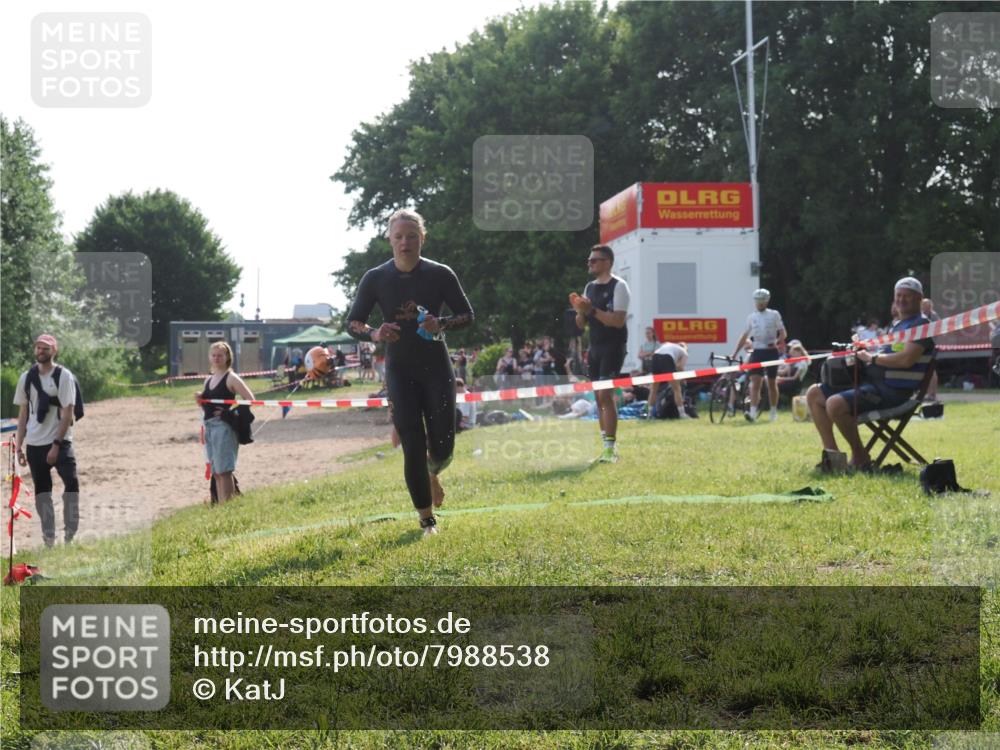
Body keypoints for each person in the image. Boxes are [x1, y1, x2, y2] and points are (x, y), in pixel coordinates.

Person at [346, 208, 473, 536]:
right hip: (400, 369)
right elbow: (353, 322)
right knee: (412, 442)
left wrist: (440, 323)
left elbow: (467, 315)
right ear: (389, 239)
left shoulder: (440, 274)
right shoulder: (375, 278)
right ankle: (426, 519)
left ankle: (434, 472)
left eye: (412, 236)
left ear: (422, 239)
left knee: (443, 444)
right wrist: (374, 333)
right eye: (399, 236)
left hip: (436, 367)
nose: (405, 243)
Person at [805, 277, 935, 471]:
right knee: (814, 394)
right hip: (873, 385)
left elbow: (905, 360)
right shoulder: (898, 325)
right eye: (898, 295)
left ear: (919, 299)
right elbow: (889, 354)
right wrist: (867, 351)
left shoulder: (921, 326)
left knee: (835, 404)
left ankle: (860, 456)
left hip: (894, 393)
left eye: (907, 296)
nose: (901, 300)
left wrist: (871, 358)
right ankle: (832, 458)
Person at [13, 334, 81, 548]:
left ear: (54, 351)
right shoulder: (26, 378)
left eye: (45, 348)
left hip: (61, 443)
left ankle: (70, 533)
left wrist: (56, 445)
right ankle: (49, 538)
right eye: (38, 348)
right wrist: (19, 446)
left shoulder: (64, 376)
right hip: (35, 443)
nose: (41, 351)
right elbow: (23, 414)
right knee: (42, 493)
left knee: (71, 483)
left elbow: (68, 412)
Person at [570, 243, 631, 463]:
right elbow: (581, 324)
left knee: (606, 395)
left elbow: (617, 321)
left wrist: (591, 310)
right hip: (594, 347)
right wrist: (580, 311)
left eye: (594, 260)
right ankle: (605, 444)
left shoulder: (619, 286)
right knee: (598, 398)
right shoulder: (589, 287)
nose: (590, 263)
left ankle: (610, 448)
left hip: (613, 346)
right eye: (589, 260)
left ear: (607, 262)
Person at [197, 341, 255, 503]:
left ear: (227, 357)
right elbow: (206, 406)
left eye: (220, 355)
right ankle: (222, 506)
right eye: (213, 355)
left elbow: (250, 399)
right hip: (209, 427)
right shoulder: (208, 380)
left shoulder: (231, 378)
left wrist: (229, 414)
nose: (216, 358)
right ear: (209, 357)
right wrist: (199, 399)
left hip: (224, 428)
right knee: (216, 471)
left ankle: (227, 506)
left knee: (224, 470)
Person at [732, 288, 786, 422]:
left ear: (767, 301)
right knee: (755, 383)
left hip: (771, 351)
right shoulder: (751, 317)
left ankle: (773, 412)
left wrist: (778, 341)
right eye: (758, 301)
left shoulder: (774, 314)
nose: (760, 304)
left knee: (772, 383)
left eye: (762, 301)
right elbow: (744, 336)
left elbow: (783, 332)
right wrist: (735, 352)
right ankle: (753, 412)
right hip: (757, 352)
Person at [648, 340, 690, 419]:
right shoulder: (684, 352)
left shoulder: (668, 344)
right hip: (667, 358)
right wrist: (684, 379)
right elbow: (680, 367)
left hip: (655, 357)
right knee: (677, 389)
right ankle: (682, 414)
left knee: (654, 389)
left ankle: (649, 414)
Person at [920, 299, 941, 402]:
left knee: (931, 370)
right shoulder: (923, 315)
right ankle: (929, 393)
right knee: (927, 370)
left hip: (931, 346)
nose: (923, 307)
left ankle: (932, 394)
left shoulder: (933, 316)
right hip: (925, 345)